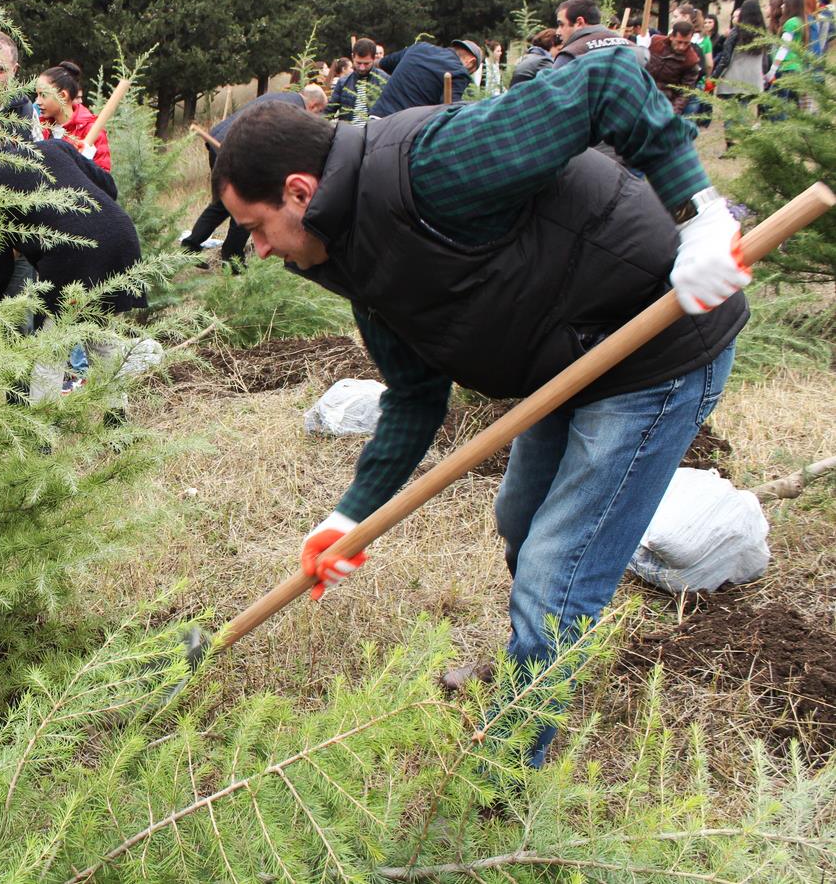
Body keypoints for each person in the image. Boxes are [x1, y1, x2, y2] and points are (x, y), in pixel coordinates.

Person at [211, 46, 748, 772]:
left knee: (555, 577)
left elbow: (608, 80)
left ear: (300, 191)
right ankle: (540, 660)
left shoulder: (430, 165)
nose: (257, 249)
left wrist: (700, 218)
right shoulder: (346, 249)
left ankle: (503, 777)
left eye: (254, 227)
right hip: (570, 359)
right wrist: (349, 518)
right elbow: (415, 393)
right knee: (520, 521)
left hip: (657, 347)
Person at [0, 139, 146, 402]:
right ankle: (116, 416)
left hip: (74, 257)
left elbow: (2, 263)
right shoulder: (54, 146)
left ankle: (42, 425)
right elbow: (109, 187)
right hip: (121, 239)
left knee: (50, 352)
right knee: (101, 339)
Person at [180, 89, 307, 266]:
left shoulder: (280, 96)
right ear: (314, 105)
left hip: (219, 141)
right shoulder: (296, 109)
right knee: (247, 203)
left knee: (222, 203)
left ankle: (191, 246)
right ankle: (233, 258)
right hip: (234, 147)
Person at [713, 0, 769, 151]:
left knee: (730, 112)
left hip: (734, 77)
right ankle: (745, 140)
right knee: (743, 109)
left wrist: (715, 76)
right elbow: (766, 60)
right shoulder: (763, 34)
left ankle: (731, 145)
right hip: (753, 79)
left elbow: (725, 58)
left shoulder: (736, 33)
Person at [370, 38, 481, 116]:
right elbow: (449, 112)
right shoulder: (459, 72)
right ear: (471, 62)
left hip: (376, 119)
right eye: (471, 72)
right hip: (403, 130)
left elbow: (383, 63)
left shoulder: (419, 47)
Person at [35, 60, 111, 172]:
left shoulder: (91, 131)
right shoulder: (40, 127)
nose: (38, 102)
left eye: (43, 95)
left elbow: (103, 178)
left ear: (62, 95)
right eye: (37, 95)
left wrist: (85, 164)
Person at [554, 0, 642, 69]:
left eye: (561, 24)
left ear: (579, 22)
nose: (558, 32)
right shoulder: (636, 51)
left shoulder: (569, 56)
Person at [646, 20, 704, 114]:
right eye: (679, 42)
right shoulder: (655, 42)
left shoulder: (691, 60)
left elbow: (685, 92)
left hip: (664, 102)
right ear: (671, 37)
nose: (682, 47)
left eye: (686, 43)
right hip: (644, 92)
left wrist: (672, 113)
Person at [326, 39, 387, 123]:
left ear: (374, 59)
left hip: (374, 129)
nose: (362, 68)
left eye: (366, 64)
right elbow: (329, 110)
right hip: (348, 129)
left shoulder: (384, 80)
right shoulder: (343, 82)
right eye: (358, 63)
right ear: (352, 57)